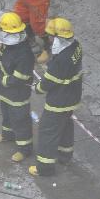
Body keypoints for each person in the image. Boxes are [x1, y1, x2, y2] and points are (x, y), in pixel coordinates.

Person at [29, 18, 83, 177]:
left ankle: (44, 168)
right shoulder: (76, 45)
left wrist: (37, 88)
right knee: (65, 125)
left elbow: (49, 81)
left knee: (47, 131)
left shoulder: (61, 60)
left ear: (59, 37)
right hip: (73, 96)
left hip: (59, 101)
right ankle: (65, 156)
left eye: (52, 37)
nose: (50, 39)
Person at [0, 12, 35, 163]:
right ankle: (7, 135)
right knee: (6, 114)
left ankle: (24, 149)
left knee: (20, 120)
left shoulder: (25, 53)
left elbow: (20, 78)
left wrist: (0, 78)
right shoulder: (7, 44)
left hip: (18, 93)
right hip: (5, 91)